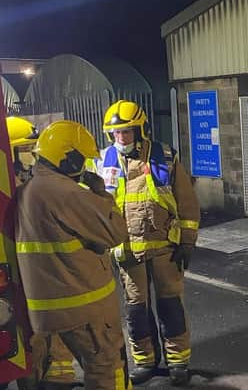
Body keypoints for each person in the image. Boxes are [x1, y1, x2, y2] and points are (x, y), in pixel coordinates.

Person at [14, 120, 131, 389]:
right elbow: (114, 232)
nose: (83, 167)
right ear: (67, 158)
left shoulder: (28, 190)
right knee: (107, 368)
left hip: (45, 312)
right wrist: (101, 193)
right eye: (81, 160)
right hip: (84, 308)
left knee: (52, 372)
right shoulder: (65, 192)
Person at [100, 100, 200, 386]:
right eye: (116, 133)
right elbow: (94, 210)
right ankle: (144, 361)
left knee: (171, 308)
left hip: (165, 250)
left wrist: (188, 242)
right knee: (136, 312)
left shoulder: (165, 157)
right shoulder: (102, 161)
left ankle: (178, 361)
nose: (122, 138)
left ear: (140, 130)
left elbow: (187, 203)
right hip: (128, 253)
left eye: (127, 132)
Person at [7, 116, 79, 389]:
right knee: (27, 329)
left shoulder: (33, 184)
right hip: (22, 271)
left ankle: (58, 373)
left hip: (43, 268)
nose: (30, 160)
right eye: (23, 152)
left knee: (53, 320)